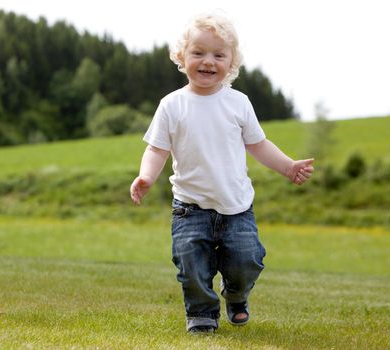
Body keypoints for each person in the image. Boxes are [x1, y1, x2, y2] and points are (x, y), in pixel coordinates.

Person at [130, 12, 314, 334]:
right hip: (190, 208)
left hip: (236, 208)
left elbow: (258, 144)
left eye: (218, 54)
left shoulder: (238, 103)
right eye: (198, 53)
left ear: (232, 62)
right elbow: (156, 149)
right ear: (181, 57)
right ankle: (202, 313)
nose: (207, 61)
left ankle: (236, 293)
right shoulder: (172, 105)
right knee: (191, 267)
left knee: (247, 261)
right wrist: (146, 177)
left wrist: (287, 166)